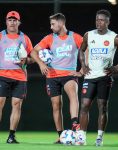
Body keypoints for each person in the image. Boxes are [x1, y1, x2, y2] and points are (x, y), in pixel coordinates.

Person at [79, 9, 118, 146]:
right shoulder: (88, 35)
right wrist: (83, 65)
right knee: (84, 106)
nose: (98, 22)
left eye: (102, 20)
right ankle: (81, 137)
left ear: (108, 22)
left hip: (104, 77)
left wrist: (117, 67)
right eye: (97, 19)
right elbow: (81, 49)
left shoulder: (114, 37)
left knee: (102, 107)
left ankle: (99, 138)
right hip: (89, 77)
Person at [30, 13, 82, 143]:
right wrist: (41, 63)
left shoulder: (74, 37)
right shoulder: (49, 38)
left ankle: (75, 125)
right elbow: (33, 51)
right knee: (56, 105)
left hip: (69, 74)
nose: (51, 27)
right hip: (52, 76)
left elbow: (86, 50)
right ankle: (61, 135)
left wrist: (82, 70)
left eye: (53, 24)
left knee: (73, 95)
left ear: (61, 23)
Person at [0, 11, 33, 143]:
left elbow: (32, 58)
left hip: (20, 77)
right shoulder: (1, 36)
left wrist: (25, 61)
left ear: (19, 22)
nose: (12, 22)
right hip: (2, 74)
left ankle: (11, 136)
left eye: (15, 20)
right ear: (6, 22)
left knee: (16, 104)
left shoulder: (24, 38)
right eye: (10, 20)